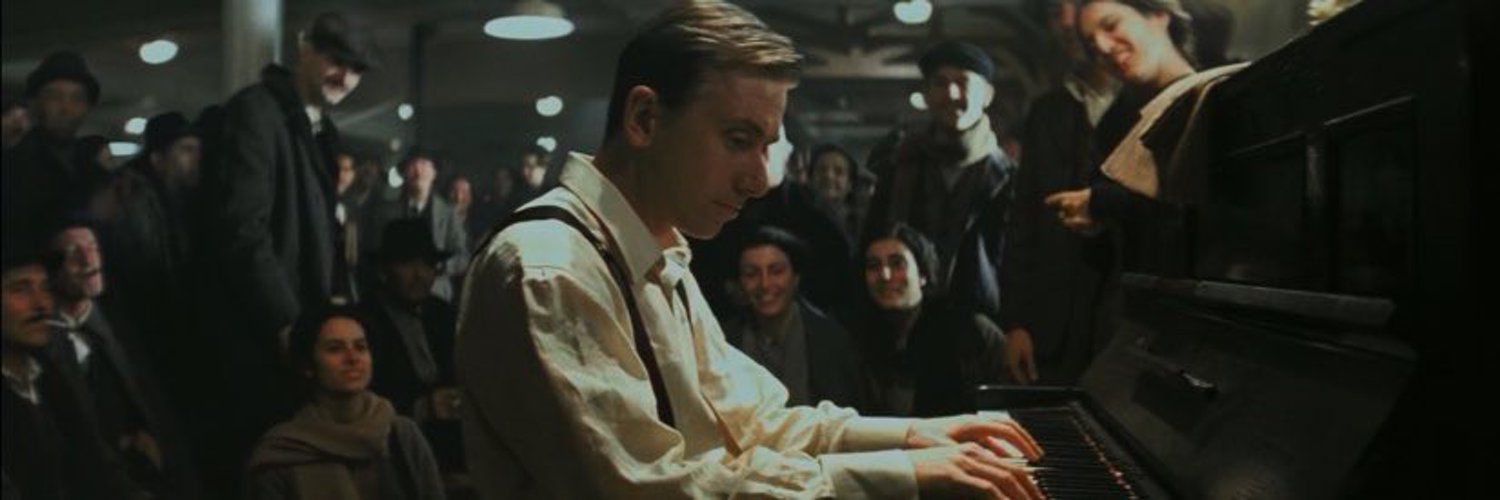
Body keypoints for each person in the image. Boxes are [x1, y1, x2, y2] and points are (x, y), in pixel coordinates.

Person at [459, 2, 1043, 498]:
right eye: (738, 140)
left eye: (767, 146)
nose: (761, 179)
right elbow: (656, 488)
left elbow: (754, 421)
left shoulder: (656, 251)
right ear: (644, 118)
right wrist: (903, 472)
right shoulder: (551, 270)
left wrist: (915, 437)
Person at [195, 11, 377, 492]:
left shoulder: (314, 126)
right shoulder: (258, 112)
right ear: (304, 48)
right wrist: (289, 324)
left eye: (356, 68)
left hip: (294, 333)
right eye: (335, 59)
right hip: (259, 339)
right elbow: (242, 231)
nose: (345, 76)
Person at [999, 0, 1127, 386]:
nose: (1069, 23)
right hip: (1052, 328)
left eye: (1078, 6)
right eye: (1057, 12)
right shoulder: (1046, 111)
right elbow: (1023, 220)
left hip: (1124, 318)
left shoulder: (1144, 100)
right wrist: (1016, 323)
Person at [863, 40, 1017, 322]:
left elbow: (1020, 264)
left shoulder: (1009, 179)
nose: (952, 94)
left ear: (987, 95)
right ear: (927, 94)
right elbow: (872, 244)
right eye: (940, 83)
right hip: (905, 322)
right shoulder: (898, 168)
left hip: (980, 327)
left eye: (963, 82)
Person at [44, 220, 200, 496]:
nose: (89, 259)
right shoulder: (43, 344)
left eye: (93, 247)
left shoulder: (125, 320)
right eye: (73, 252)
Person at [246, 306, 446, 500]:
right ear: (307, 365)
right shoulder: (283, 452)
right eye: (335, 349)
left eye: (361, 347)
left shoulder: (401, 434)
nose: (352, 358)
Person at [1, 238, 148, 499]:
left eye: (46, 288)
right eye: (20, 289)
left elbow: (100, 469)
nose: (41, 304)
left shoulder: (50, 375)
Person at [855, 223, 1008, 417]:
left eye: (897, 263)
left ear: (922, 274)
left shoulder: (969, 329)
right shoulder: (856, 339)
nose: (885, 275)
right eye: (873, 266)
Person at [722, 226, 867, 410]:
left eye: (776, 271)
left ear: (795, 277)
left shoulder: (832, 340)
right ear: (740, 282)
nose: (765, 284)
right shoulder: (724, 342)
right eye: (752, 274)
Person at [361, 218, 464, 474]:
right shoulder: (364, 322)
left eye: (428, 264)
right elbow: (361, 401)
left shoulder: (444, 314)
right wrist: (424, 407)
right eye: (408, 264)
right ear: (385, 269)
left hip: (452, 448)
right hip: (389, 452)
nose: (420, 275)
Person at [2, 51, 106, 246]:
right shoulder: (12, 168)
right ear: (34, 103)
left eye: (77, 99)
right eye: (55, 97)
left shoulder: (96, 173)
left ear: (87, 108)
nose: (66, 108)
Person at [363, 150, 470, 302]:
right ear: (404, 173)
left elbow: (463, 256)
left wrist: (438, 266)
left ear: (434, 173)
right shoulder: (386, 212)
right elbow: (374, 252)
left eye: (424, 165)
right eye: (413, 165)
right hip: (394, 293)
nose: (418, 171)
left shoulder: (448, 214)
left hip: (437, 294)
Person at [807, 143, 874, 244]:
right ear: (810, 179)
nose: (829, 176)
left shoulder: (862, 226)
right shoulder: (796, 216)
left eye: (839, 172)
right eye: (822, 169)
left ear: (850, 184)